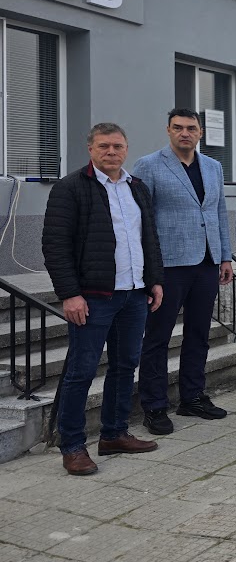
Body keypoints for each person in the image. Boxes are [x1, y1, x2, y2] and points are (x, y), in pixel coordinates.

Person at [43, 123, 165, 476]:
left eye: (117, 146)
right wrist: (70, 294)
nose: (111, 152)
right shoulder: (71, 188)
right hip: (93, 298)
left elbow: (149, 238)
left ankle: (114, 434)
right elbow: (55, 245)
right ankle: (72, 446)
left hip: (134, 294)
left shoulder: (136, 187)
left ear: (126, 149)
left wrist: (155, 280)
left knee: (125, 366)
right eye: (103, 146)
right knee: (81, 372)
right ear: (90, 149)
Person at [133, 109, 232, 435]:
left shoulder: (213, 167)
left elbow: (218, 212)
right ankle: (154, 406)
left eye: (191, 128)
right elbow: (141, 218)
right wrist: (149, 269)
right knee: (158, 338)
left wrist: (225, 257)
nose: (184, 133)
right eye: (178, 128)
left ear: (200, 132)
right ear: (168, 130)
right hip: (168, 266)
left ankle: (192, 397)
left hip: (206, 263)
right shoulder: (149, 165)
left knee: (199, 334)